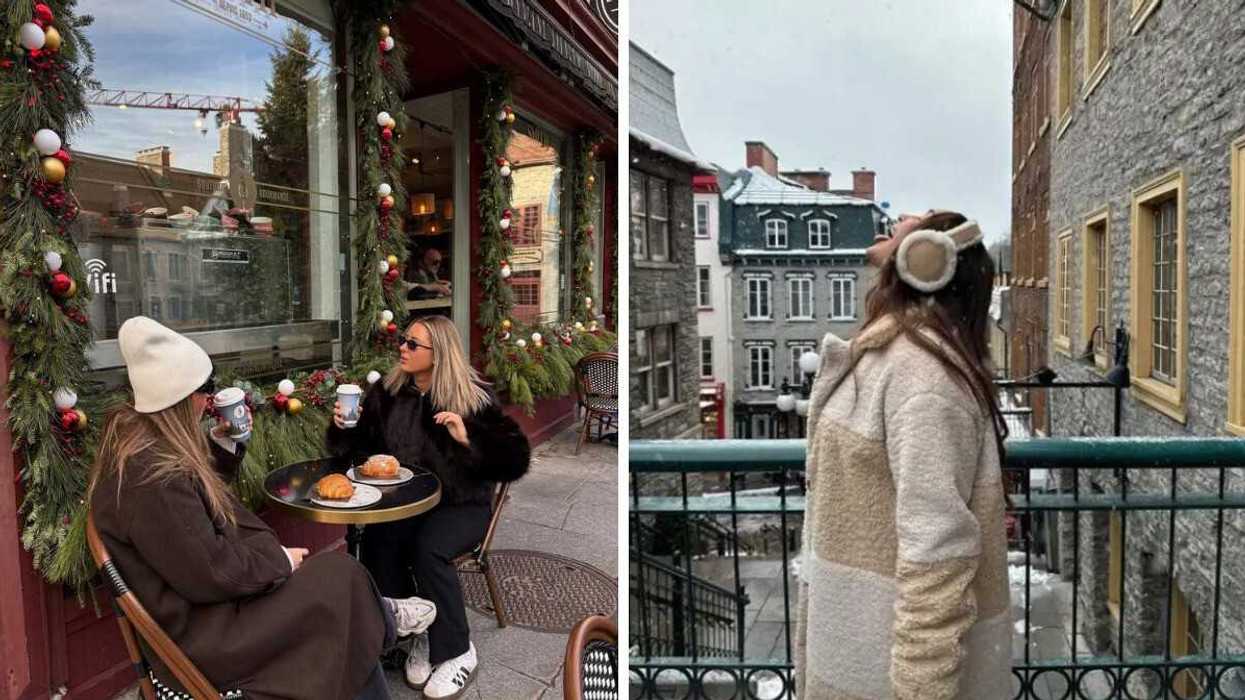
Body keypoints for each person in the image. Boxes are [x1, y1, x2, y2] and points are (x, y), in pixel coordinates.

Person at [89, 317, 438, 700]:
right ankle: (384, 619)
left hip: (201, 614)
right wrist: (280, 562)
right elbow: (211, 571)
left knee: (341, 591)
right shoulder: (153, 478)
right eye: (206, 388)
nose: (210, 399)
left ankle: (378, 618)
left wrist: (222, 448)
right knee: (339, 584)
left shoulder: (148, 452)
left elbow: (190, 517)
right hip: (202, 639)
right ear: (178, 397)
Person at [794, 211, 1012, 700]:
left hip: (882, 673)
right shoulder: (901, 358)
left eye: (901, 229)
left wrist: (921, 690)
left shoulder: (923, 381)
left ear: (925, 261)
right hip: (865, 652)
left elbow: (939, 557)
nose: (885, 232)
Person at [326, 315, 531, 698]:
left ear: (439, 354)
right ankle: (417, 629)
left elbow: (515, 459)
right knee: (379, 539)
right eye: (403, 340)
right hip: (405, 503)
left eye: (413, 344)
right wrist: (343, 428)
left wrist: (468, 437)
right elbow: (359, 451)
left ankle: (456, 650)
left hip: (462, 504)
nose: (402, 348)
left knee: (428, 548)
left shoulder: (474, 396)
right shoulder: (386, 393)